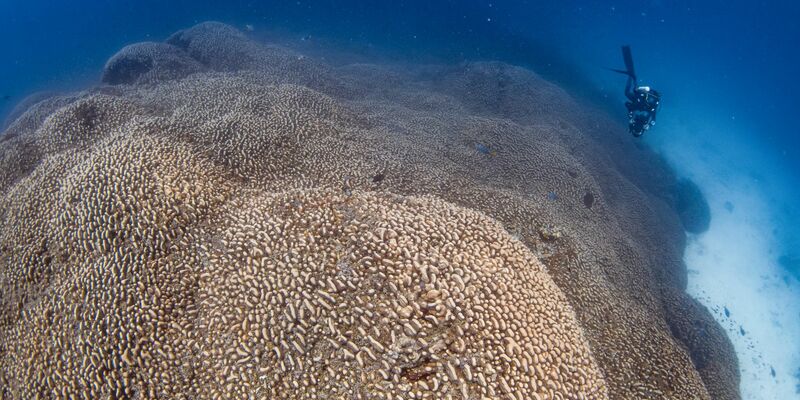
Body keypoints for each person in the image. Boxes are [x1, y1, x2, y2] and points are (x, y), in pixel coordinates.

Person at [611, 46, 661, 137]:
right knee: (633, 92)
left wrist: (630, 117)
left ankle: (631, 77)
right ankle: (632, 78)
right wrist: (649, 125)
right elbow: (653, 118)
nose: (637, 128)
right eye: (638, 131)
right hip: (643, 103)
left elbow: (629, 107)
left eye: (635, 130)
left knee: (629, 93)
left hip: (640, 103)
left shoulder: (635, 123)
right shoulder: (647, 118)